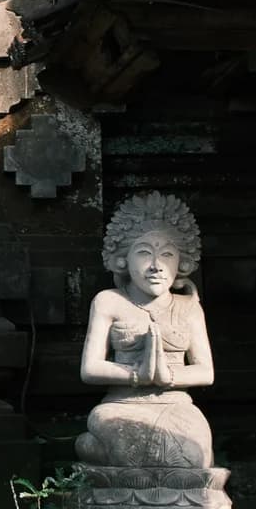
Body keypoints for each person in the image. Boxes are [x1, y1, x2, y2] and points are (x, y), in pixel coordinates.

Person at [78, 191, 214, 485]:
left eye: (167, 254)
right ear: (122, 259)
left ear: (182, 262)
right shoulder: (108, 301)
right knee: (127, 454)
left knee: (193, 457)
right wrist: (137, 375)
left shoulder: (188, 307)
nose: (156, 265)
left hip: (176, 405)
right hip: (121, 405)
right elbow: (90, 369)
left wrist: (168, 376)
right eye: (143, 253)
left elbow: (206, 371)